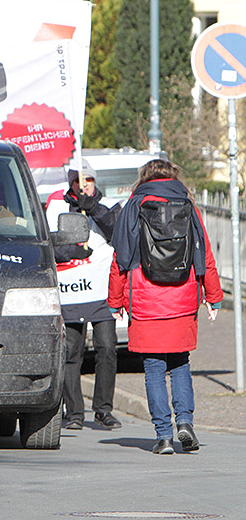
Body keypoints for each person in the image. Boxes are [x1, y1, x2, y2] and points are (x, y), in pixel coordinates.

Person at [108, 159, 222, 454]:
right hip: (182, 298)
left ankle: (163, 437)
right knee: (180, 363)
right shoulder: (188, 206)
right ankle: (185, 422)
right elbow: (204, 254)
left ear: (144, 178)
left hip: (145, 301)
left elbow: (120, 259)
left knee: (154, 368)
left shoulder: (133, 207)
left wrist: (115, 301)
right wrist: (213, 296)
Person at [49, 168, 122, 431]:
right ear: (71, 183)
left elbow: (117, 231)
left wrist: (92, 208)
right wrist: (73, 250)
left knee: (107, 348)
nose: (85, 185)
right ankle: (74, 413)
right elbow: (50, 244)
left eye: (89, 180)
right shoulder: (57, 208)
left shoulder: (108, 206)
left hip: (102, 292)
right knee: (71, 352)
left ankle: (103, 409)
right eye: (80, 180)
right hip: (72, 292)